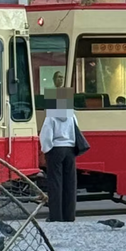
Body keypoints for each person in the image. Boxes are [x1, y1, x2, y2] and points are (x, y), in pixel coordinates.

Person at [40, 88, 86, 222]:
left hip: (56, 150)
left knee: (55, 184)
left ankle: (56, 216)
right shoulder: (72, 116)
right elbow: (76, 132)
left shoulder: (51, 116)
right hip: (70, 150)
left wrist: (46, 150)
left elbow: (46, 136)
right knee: (70, 184)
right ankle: (69, 216)